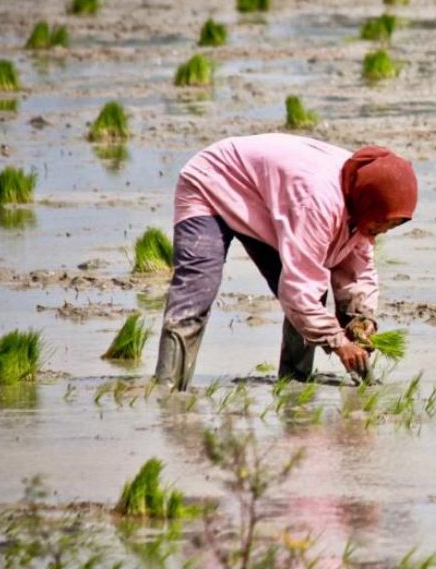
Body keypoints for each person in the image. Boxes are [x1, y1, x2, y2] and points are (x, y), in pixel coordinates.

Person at [155, 133, 417, 390]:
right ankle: (167, 390)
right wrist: (338, 342)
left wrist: (360, 319)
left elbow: (357, 270)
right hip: (212, 181)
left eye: (393, 225)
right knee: (198, 290)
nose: (384, 230)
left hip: (264, 201)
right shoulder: (317, 202)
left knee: (314, 291)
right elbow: (297, 292)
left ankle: (294, 385)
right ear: (369, 203)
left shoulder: (363, 194)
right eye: (384, 222)